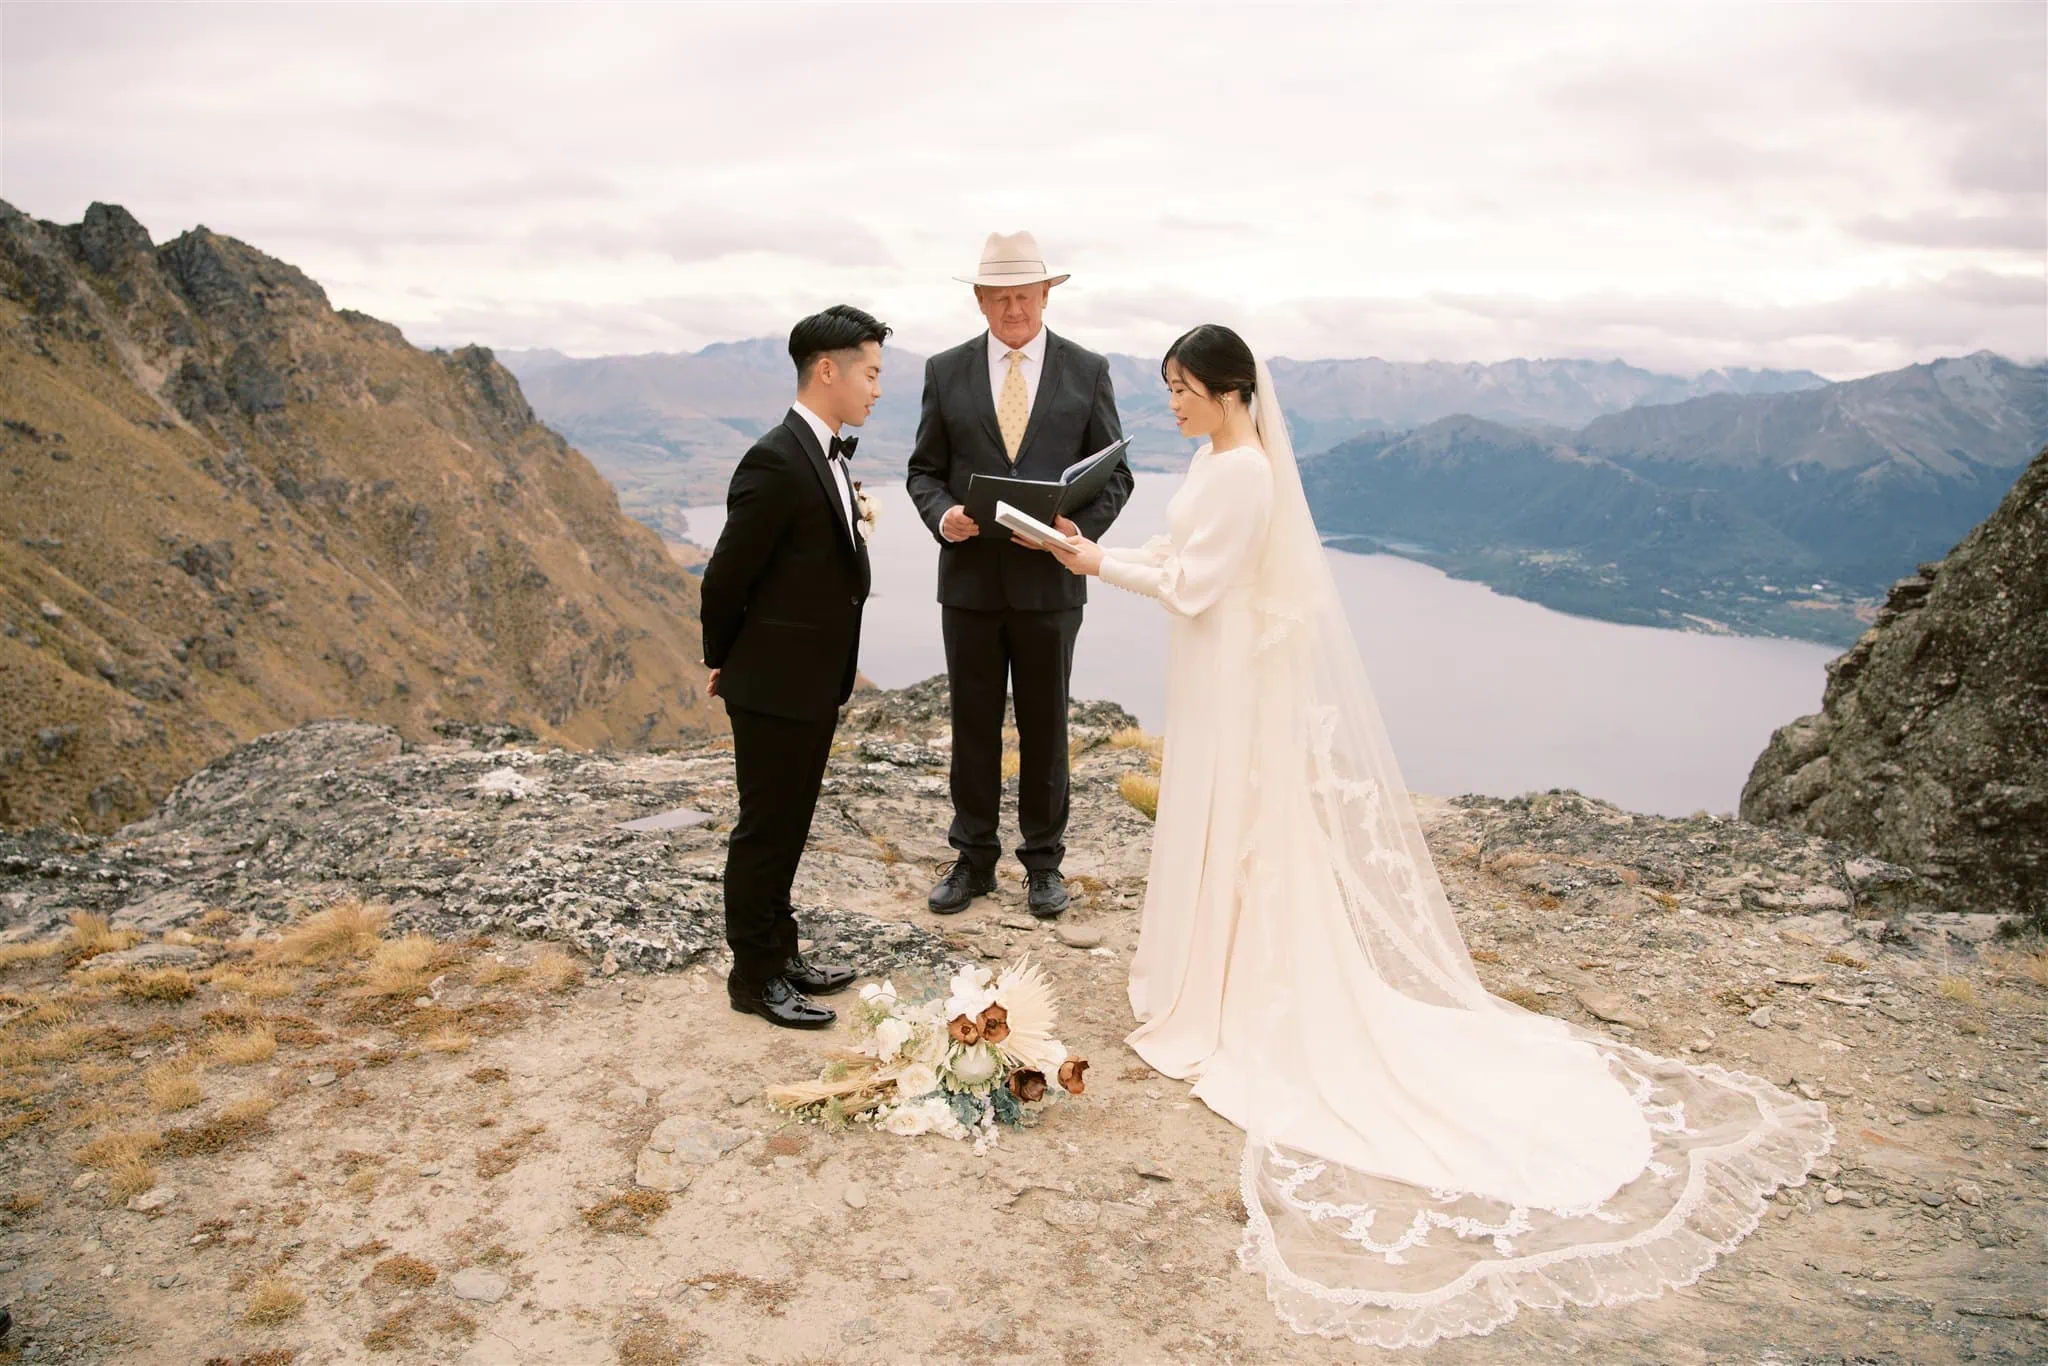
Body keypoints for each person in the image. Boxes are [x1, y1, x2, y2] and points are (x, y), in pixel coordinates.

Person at [1037, 324, 1834, 1349]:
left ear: (1233, 392)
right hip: (1208, 664)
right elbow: (1180, 557)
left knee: (1233, 822)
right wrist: (1095, 551)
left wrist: (1092, 560)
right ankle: (1212, 975)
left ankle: (1227, 989)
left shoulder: (1243, 474)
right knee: (1213, 820)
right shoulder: (1211, 460)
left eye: (1185, 389)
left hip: (1226, 670)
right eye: (1171, 390)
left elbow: (1194, 585)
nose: (1174, 405)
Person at [905, 231, 1134, 920]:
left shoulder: (1087, 369)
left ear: (1045, 296)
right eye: (1000, 297)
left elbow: (1115, 472)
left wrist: (1078, 531)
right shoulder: (945, 371)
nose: (1013, 310)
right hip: (970, 584)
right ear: (979, 301)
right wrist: (944, 516)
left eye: (1024, 296)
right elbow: (923, 471)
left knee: (1046, 726)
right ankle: (972, 861)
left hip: (1050, 586)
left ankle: (1043, 867)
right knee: (971, 724)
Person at [699, 305, 886, 1029]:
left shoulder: (828, 450)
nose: (875, 389)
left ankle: (783, 952)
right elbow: (726, 578)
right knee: (765, 832)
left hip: (809, 680)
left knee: (791, 826)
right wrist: (725, 660)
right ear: (828, 370)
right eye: (870, 374)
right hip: (775, 683)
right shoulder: (776, 457)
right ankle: (754, 977)